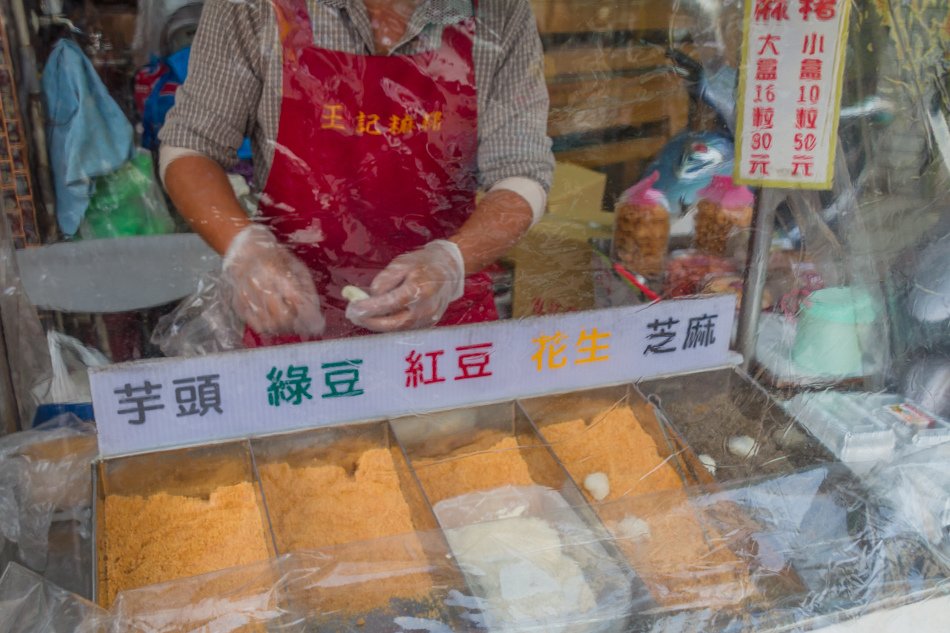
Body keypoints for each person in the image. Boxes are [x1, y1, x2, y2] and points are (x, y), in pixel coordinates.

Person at [159, 0, 553, 345]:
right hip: (294, 315)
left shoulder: (497, 12)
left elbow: (522, 173)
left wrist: (451, 262)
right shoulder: (254, 6)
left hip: (442, 323)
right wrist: (244, 249)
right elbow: (192, 145)